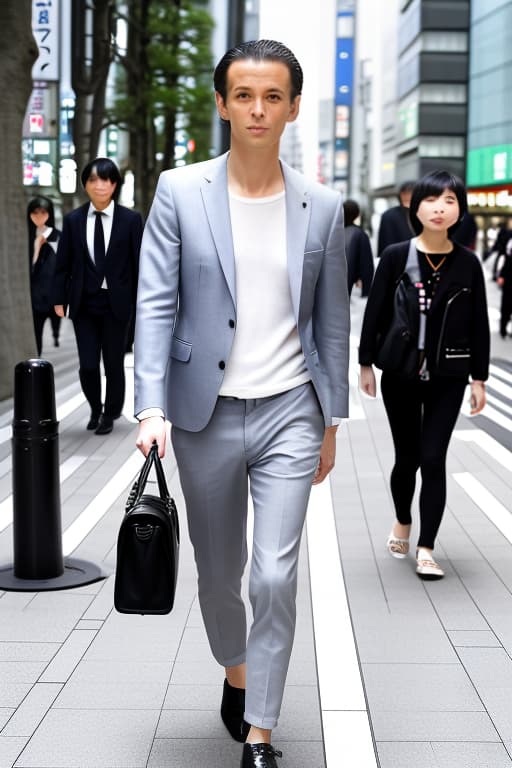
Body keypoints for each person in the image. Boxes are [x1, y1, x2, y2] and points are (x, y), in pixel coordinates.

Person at [134, 39, 349, 768]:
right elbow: (156, 303)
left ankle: (260, 729)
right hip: (203, 414)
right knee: (218, 571)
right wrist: (149, 407)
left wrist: (332, 419)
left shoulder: (321, 206)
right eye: (245, 96)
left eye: (273, 97)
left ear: (292, 107)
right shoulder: (179, 189)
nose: (258, 110)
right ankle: (235, 666)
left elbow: (331, 321)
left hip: (292, 405)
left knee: (275, 573)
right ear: (224, 102)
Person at [359, 170, 489, 580]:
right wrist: (365, 363)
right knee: (407, 458)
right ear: (415, 208)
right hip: (400, 372)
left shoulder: (468, 264)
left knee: (433, 458)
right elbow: (375, 310)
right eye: (432, 199)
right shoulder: (397, 255)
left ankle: (427, 546)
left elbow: (480, 324)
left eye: (450, 200)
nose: (440, 207)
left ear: (459, 211)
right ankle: (402, 519)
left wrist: (479, 378)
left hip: (449, 375)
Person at [53, 158, 143, 435]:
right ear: (85, 185)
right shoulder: (73, 220)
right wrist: (59, 299)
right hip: (84, 305)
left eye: (105, 179)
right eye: (93, 180)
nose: (100, 185)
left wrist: (141, 304)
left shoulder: (131, 220)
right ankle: (95, 407)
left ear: (114, 184)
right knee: (88, 365)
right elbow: (63, 264)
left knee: (114, 363)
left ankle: (110, 412)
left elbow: (139, 263)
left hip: (117, 305)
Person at [27, 196, 61, 355]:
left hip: (52, 294)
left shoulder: (58, 237)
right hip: (33, 297)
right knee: (35, 337)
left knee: (55, 321)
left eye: (43, 212)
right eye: (34, 212)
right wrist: (36, 247)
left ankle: (56, 334)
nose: (39, 216)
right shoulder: (26, 237)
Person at [343, 199, 374, 296]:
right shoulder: (359, 234)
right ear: (357, 214)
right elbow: (366, 262)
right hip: (351, 282)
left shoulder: (334, 232)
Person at [377, 179, 415, 257]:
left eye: (411, 193)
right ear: (400, 194)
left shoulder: (423, 213)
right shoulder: (389, 215)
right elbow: (384, 244)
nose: (408, 196)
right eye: (405, 193)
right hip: (396, 259)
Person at [497, 238, 512, 338]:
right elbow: (505, 259)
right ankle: (503, 329)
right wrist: (501, 275)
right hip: (509, 278)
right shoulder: (509, 240)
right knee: (506, 305)